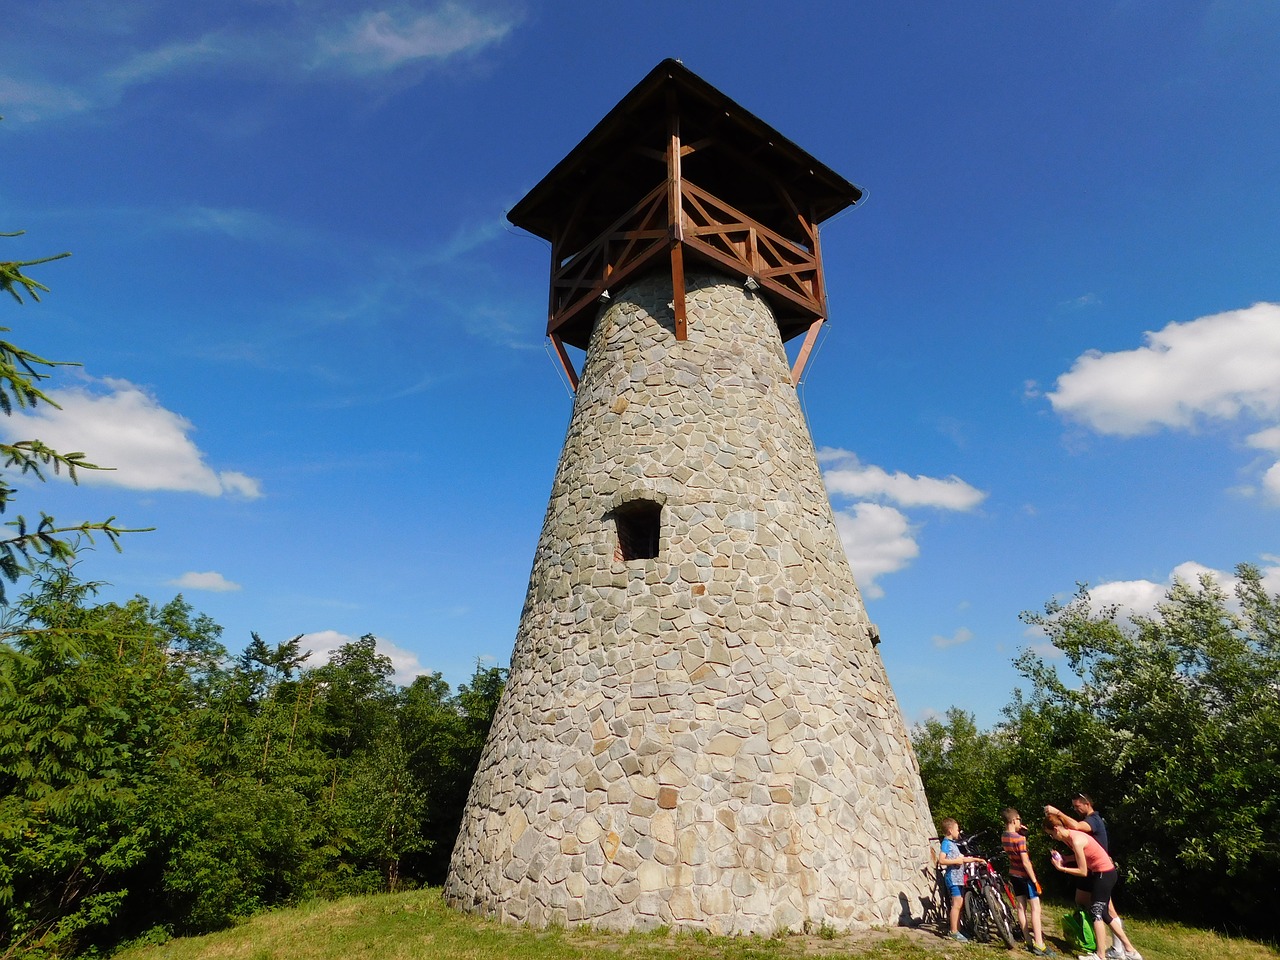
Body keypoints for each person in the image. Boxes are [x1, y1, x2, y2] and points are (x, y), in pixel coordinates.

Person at [1045, 794, 1132, 960]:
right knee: (1095, 907)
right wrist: (1065, 858)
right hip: (1098, 870)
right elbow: (1082, 849)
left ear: (1087, 804)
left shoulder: (1093, 820)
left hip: (1100, 871)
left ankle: (1114, 950)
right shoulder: (1077, 832)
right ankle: (1123, 949)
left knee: (1101, 911)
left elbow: (1076, 827)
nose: (1076, 810)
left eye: (1077, 806)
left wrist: (1057, 812)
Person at [1001, 808, 1050, 955]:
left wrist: (1021, 832)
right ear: (1015, 819)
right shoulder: (1020, 839)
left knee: (1021, 908)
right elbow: (1026, 861)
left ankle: (1028, 940)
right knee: (1036, 908)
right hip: (1025, 876)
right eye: (1019, 819)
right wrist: (1035, 880)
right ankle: (1040, 944)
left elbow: (1014, 843)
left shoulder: (1004, 836)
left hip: (1013, 875)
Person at [938, 817, 981, 942]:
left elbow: (962, 859)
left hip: (958, 879)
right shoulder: (946, 844)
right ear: (950, 830)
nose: (959, 831)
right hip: (953, 878)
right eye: (957, 829)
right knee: (956, 905)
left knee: (959, 905)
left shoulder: (953, 845)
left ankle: (958, 929)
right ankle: (953, 931)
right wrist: (955, 861)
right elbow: (941, 860)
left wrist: (976, 860)